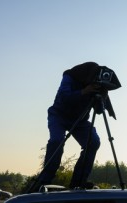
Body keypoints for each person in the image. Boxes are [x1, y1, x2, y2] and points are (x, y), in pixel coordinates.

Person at [37, 61, 110, 189]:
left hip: (79, 120)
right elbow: (65, 97)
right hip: (59, 115)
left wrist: (102, 96)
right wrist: (84, 91)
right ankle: (44, 180)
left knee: (93, 142)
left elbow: (99, 111)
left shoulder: (96, 85)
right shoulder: (70, 76)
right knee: (57, 141)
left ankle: (79, 181)